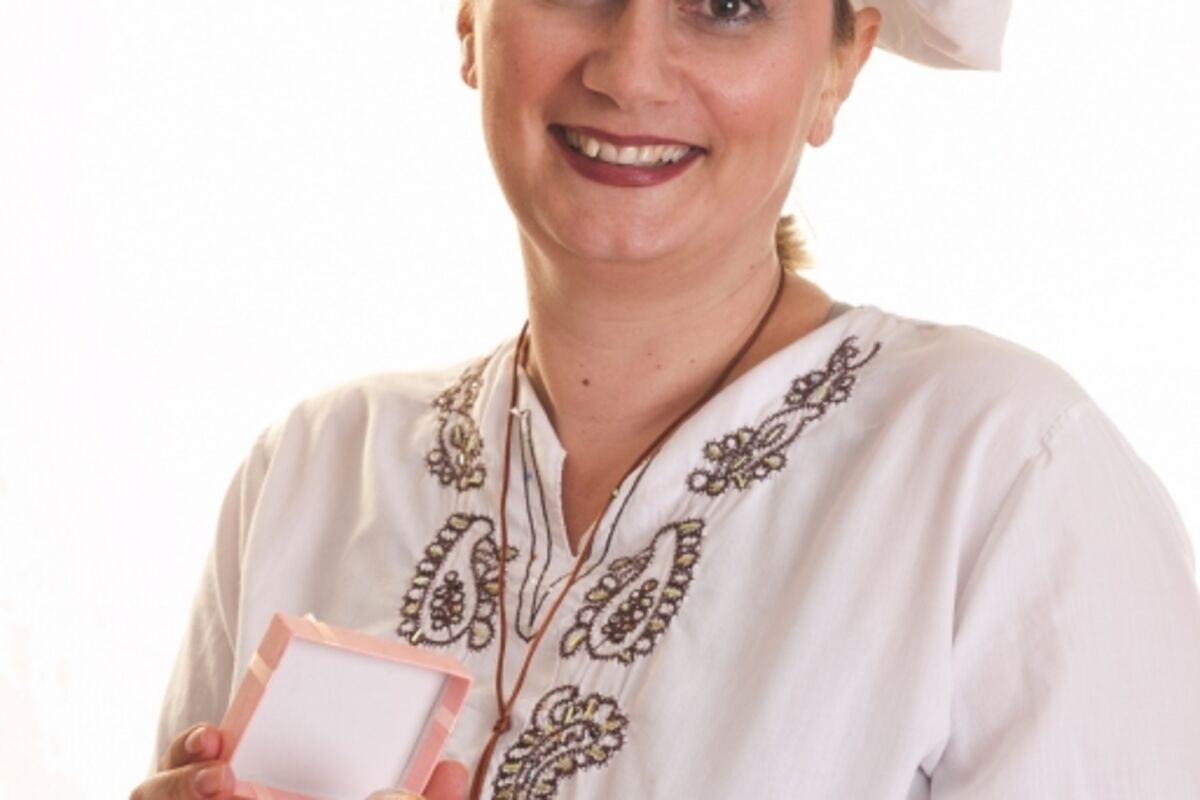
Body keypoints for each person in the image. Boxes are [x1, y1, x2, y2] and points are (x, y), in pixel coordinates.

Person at [131, 0, 1200, 798]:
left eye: (727, 4)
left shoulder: (1005, 473)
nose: (630, 72)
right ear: (469, 21)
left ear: (843, 63)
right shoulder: (315, 468)